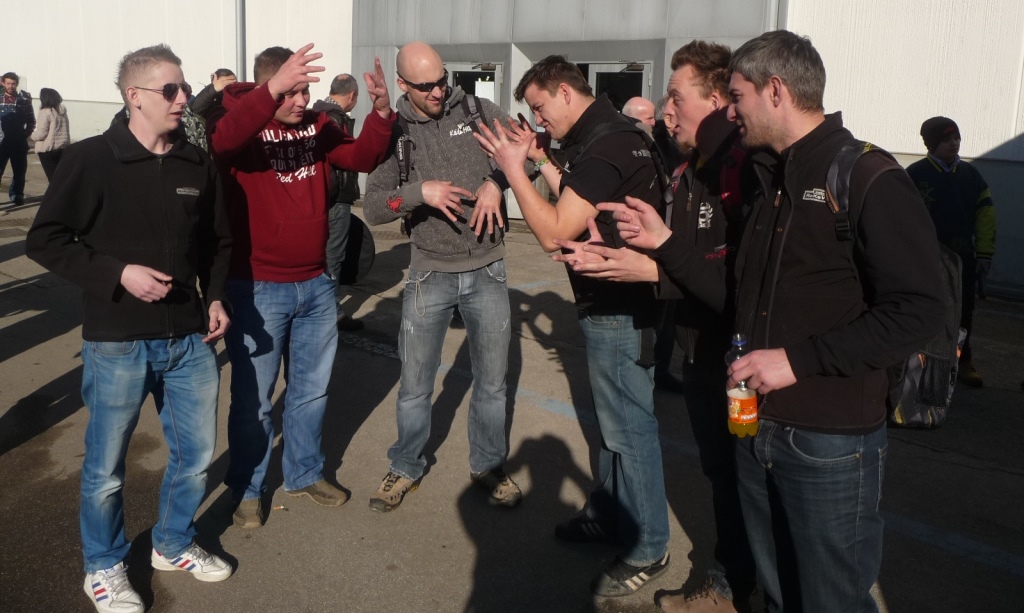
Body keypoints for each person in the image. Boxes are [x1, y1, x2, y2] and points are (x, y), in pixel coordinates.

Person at [26, 44, 234, 613]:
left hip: (190, 338)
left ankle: (172, 543)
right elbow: (45, 240)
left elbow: (217, 241)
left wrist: (216, 296)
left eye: (184, 87)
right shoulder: (91, 159)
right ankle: (103, 566)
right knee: (105, 470)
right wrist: (117, 273)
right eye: (171, 89)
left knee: (195, 456)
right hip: (117, 341)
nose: (183, 97)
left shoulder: (196, 162)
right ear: (134, 96)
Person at [555, 40, 758, 612]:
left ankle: (728, 582)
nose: (667, 112)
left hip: (738, 356)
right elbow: (686, 255)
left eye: (676, 97)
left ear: (717, 101)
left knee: (745, 480)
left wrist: (651, 268)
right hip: (699, 346)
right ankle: (729, 581)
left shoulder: (744, 172)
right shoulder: (691, 166)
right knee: (722, 474)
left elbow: (740, 279)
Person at [475, 55, 670, 598]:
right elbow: (584, 196)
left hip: (620, 307)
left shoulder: (606, 144)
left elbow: (555, 232)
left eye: (541, 108)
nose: (539, 120)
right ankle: (608, 515)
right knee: (613, 427)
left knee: (629, 431)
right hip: (613, 303)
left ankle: (650, 546)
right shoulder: (609, 134)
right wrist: (542, 158)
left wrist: (515, 168)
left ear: (565, 92)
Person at [206, 44, 395, 529]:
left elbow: (362, 156)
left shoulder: (317, 124)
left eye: (306, 91)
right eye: (291, 92)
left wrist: (380, 113)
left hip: (315, 284)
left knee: (310, 391)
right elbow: (222, 143)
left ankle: (304, 473)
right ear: (268, 88)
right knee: (254, 399)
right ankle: (247, 487)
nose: (302, 101)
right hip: (257, 288)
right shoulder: (239, 122)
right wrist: (271, 93)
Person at [362, 41, 521, 513]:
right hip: (428, 274)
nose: (437, 91)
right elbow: (375, 207)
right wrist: (419, 192)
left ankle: (488, 465)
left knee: (492, 383)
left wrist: (497, 183)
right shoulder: (395, 132)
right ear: (403, 84)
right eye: (425, 85)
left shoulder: (476, 109)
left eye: (441, 80)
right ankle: (405, 466)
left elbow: (526, 151)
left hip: (488, 269)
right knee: (415, 384)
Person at [907, 116, 996, 387]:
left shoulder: (971, 176)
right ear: (931, 144)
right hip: (925, 258)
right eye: (947, 139)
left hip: (962, 258)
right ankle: (919, 360)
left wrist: (984, 254)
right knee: (925, 308)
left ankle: (962, 360)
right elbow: (900, 217)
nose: (954, 143)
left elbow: (985, 216)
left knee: (963, 311)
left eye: (957, 138)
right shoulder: (915, 174)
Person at [311, 73, 365, 331]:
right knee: (333, 256)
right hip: (336, 198)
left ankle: (322, 308)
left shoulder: (317, 113)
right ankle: (331, 312)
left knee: (321, 254)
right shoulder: (334, 119)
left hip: (321, 197)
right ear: (352, 95)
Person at [0, 72, 35, 205]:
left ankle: (17, 195)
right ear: (3, 83)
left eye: (13, 84)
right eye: (8, 83)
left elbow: (31, 121)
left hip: (19, 142)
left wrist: (24, 135)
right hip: (2, 143)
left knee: (20, 171)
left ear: (17, 84)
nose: (11, 86)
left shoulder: (24, 101)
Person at [31, 87, 71, 180]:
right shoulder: (62, 111)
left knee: (53, 179)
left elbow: (41, 134)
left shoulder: (45, 112)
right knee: (61, 177)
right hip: (62, 148)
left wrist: (31, 135)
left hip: (48, 149)